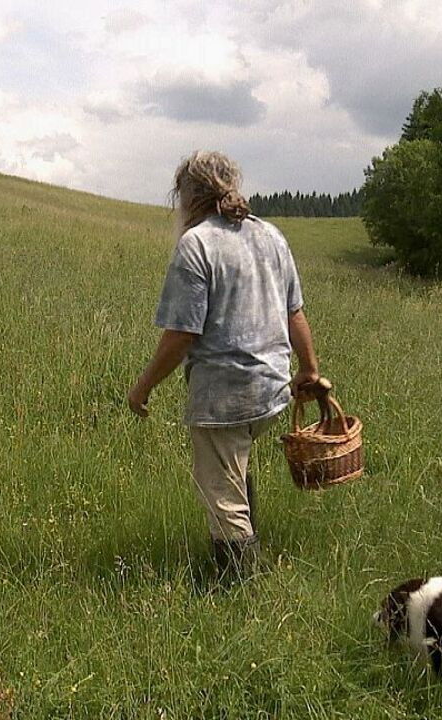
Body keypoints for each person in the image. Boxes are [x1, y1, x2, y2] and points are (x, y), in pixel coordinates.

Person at [127, 150, 321, 578]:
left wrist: (142, 388)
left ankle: (240, 585)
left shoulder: (197, 244)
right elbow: (295, 312)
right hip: (272, 389)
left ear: (187, 195)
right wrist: (309, 370)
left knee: (220, 491)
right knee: (234, 466)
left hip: (225, 396)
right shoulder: (271, 235)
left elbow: (182, 334)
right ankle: (248, 552)